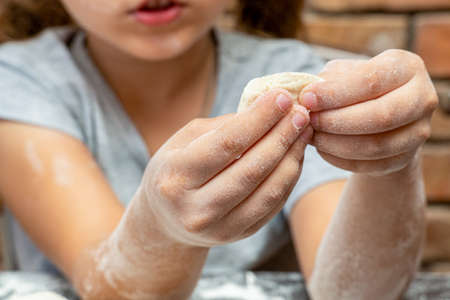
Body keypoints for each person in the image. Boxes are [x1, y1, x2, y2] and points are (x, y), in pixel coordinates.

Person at [0, 0, 437, 299]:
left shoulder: (292, 72)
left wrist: (387, 159)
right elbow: (111, 285)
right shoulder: (19, 81)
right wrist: (164, 228)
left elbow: (354, 290)